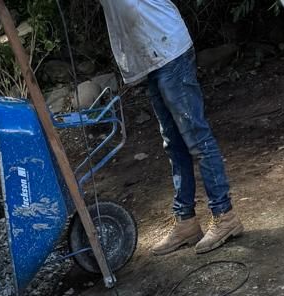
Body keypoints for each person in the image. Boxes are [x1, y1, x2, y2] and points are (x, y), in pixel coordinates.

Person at [97, 0, 242, 254]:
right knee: (174, 143)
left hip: (168, 51)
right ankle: (185, 221)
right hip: (153, 55)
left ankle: (225, 216)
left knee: (197, 138)